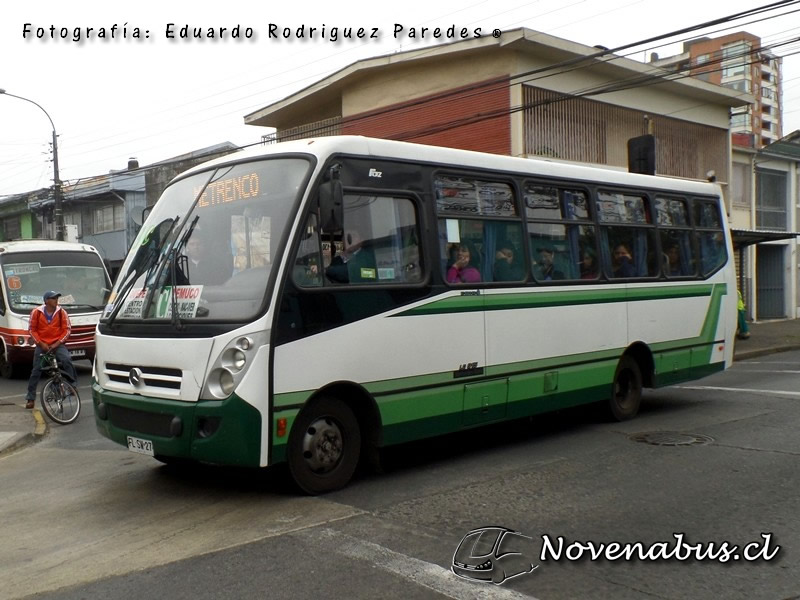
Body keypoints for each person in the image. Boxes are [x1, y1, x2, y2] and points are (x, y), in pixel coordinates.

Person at [25, 291, 78, 409]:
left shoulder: (61, 312)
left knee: (67, 360)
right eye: (53, 298)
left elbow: (67, 330)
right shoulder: (36, 312)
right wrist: (40, 343)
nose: (56, 300)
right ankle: (30, 398)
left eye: (56, 298)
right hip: (42, 345)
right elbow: (32, 330)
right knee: (36, 371)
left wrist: (57, 343)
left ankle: (73, 386)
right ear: (46, 301)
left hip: (57, 345)